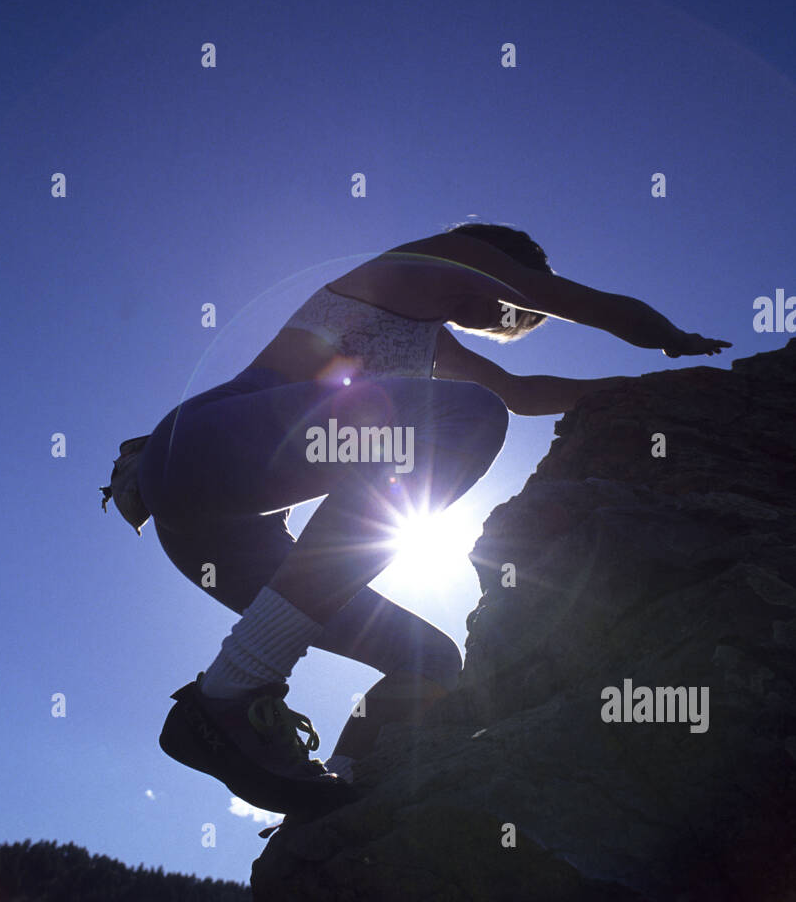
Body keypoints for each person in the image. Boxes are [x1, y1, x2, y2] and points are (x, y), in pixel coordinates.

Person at [112, 222, 730, 818]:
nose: (509, 325)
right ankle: (232, 689)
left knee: (427, 660)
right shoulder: (439, 257)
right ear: (500, 265)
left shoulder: (433, 344)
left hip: (216, 530)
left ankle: (328, 788)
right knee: (468, 419)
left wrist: (647, 390)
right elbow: (566, 302)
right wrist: (668, 336)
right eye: (513, 313)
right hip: (200, 444)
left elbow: (523, 393)